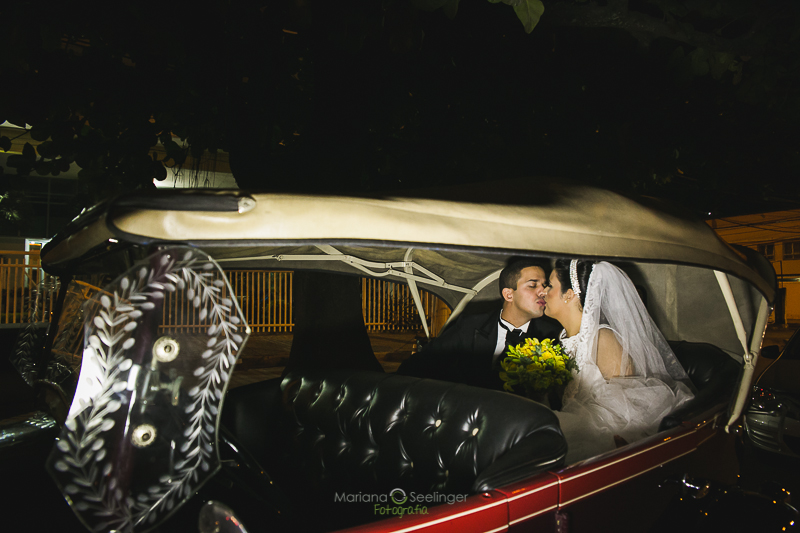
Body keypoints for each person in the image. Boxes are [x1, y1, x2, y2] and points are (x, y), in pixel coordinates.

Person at [544, 259, 695, 463]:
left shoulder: (603, 339)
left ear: (569, 294)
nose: (543, 291)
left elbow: (628, 405)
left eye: (550, 285)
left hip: (605, 434)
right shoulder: (560, 340)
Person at [397, 259, 562, 390]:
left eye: (545, 285)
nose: (544, 291)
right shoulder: (470, 326)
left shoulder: (552, 336)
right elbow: (420, 364)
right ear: (508, 295)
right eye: (533, 285)